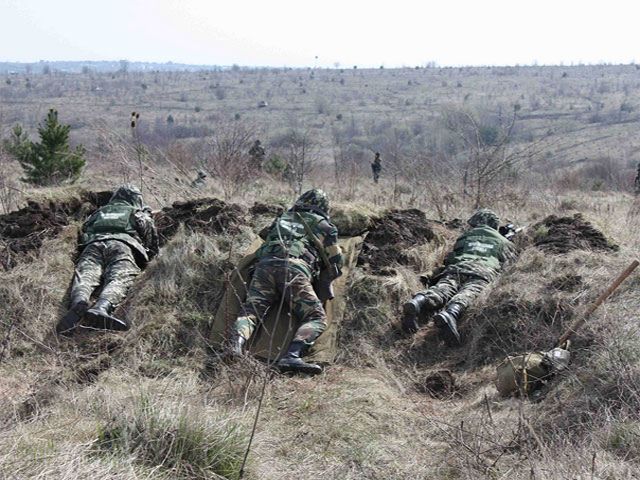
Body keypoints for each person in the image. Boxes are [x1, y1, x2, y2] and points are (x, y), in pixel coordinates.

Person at [229, 189, 343, 375]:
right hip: (294, 272)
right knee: (316, 317)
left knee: (251, 311)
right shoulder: (324, 226)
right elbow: (337, 261)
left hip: (264, 267)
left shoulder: (282, 218)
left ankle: (235, 345)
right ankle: (292, 356)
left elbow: (266, 235)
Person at [401, 209, 517, 345]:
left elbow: (450, 258)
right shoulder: (503, 242)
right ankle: (450, 314)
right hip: (482, 272)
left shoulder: (465, 236)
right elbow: (510, 267)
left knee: (442, 289)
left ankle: (418, 301)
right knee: (468, 293)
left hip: (456, 269)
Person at [56, 184, 159, 335]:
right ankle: (102, 307)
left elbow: (85, 229)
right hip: (122, 245)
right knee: (119, 277)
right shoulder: (136, 212)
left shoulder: (99, 212)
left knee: (85, 276)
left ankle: (79, 302)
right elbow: (150, 238)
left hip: (92, 245)